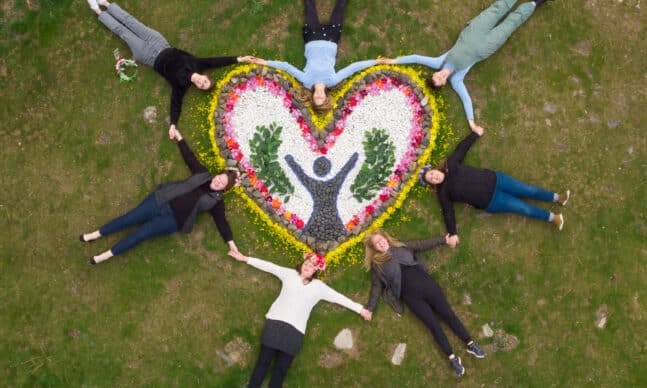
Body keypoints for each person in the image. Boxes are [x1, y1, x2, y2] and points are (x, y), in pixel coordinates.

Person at [382, 0, 554, 132]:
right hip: (487, 45)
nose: (439, 78)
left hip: (474, 31)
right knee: (510, 24)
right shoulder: (457, 80)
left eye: (435, 77)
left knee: (497, 9)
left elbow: (416, 57)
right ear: (443, 84)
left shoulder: (438, 62)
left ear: (435, 74)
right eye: (439, 82)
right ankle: (535, 3)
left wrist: (393, 61)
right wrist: (472, 123)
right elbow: (466, 100)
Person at [85, 0, 256, 132]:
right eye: (205, 81)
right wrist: (239, 59)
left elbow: (176, 104)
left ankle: (97, 10)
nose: (201, 83)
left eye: (202, 86)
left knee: (124, 32)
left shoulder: (181, 85)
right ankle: (106, 3)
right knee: (132, 22)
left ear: (198, 87)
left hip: (147, 55)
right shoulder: (197, 64)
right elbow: (216, 61)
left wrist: (173, 124)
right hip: (160, 42)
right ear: (205, 76)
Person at [80, 126, 239, 264]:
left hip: (173, 221)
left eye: (222, 183)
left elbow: (221, 222)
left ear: (223, 189)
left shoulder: (216, 201)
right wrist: (179, 137)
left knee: (140, 235)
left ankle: (105, 256)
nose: (218, 182)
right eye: (219, 178)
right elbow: (189, 158)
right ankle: (94, 234)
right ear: (217, 175)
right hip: (161, 200)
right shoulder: (202, 173)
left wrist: (231, 244)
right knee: (129, 218)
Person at [228, 250, 371, 387]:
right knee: (263, 363)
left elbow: (339, 298)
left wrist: (360, 309)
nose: (308, 266)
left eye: (311, 266)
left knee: (281, 371)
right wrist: (245, 258)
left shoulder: (319, 287)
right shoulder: (289, 275)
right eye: (306, 264)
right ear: (302, 265)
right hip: (275, 324)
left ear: (316, 270)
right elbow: (269, 266)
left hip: (295, 332)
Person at [420, 125, 569, 247]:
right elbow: (448, 213)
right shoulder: (443, 193)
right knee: (523, 208)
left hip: (497, 179)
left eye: (432, 173)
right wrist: (452, 233)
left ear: (434, 169)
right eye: (431, 180)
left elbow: (462, 149)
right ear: (433, 184)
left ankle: (558, 198)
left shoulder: (450, 165)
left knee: (527, 189)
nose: (434, 177)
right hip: (492, 201)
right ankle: (553, 218)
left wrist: (475, 134)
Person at [363, 229, 485, 377]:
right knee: (433, 325)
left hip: (428, 286)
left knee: (448, 314)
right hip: (412, 298)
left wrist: (444, 240)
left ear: (386, 239)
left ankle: (470, 344)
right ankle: (452, 358)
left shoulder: (402, 246)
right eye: (377, 243)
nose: (380, 243)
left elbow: (421, 244)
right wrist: (370, 308)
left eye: (381, 239)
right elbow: (376, 287)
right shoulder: (378, 265)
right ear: (374, 248)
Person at [248, 0, 387, 113]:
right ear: (326, 97)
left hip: (312, 37)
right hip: (332, 38)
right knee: (341, 5)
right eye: (322, 98)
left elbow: (286, 67)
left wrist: (265, 62)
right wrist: (374, 61)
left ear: (313, 97)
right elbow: (353, 68)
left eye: (317, 99)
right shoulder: (332, 80)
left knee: (309, 5)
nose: (319, 96)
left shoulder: (307, 81)